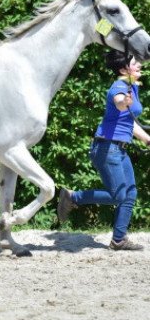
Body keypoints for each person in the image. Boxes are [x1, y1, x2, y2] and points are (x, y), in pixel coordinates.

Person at [58, 50, 150, 250]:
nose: (140, 65)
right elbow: (118, 101)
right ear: (124, 69)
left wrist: (147, 139)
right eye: (135, 63)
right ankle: (73, 197)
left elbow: (128, 121)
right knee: (118, 195)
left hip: (119, 149)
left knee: (131, 193)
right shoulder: (119, 87)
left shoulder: (132, 87)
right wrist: (122, 103)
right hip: (107, 148)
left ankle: (119, 239)